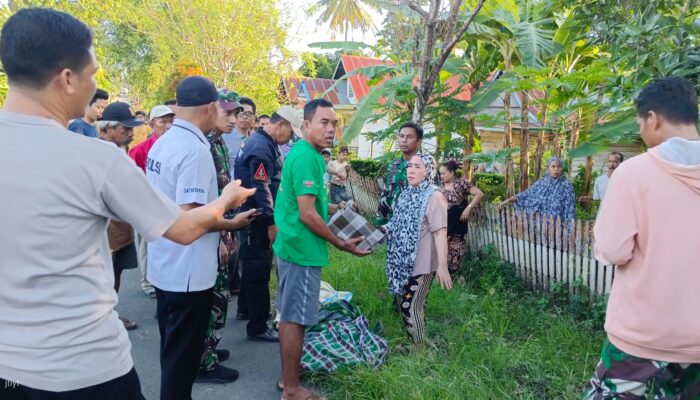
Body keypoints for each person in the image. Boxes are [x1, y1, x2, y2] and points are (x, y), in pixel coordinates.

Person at [0, 8, 253, 399]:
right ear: (67, 79)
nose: (95, 87)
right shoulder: (94, 159)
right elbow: (183, 227)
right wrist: (228, 198)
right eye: (94, 73)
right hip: (85, 369)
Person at [582, 77, 700, 399]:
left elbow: (612, 250)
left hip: (642, 335)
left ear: (653, 118)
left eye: (640, 123)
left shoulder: (633, 173)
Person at [146, 76, 257, 398]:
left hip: (165, 263)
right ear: (210, 107)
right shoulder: (194, 150)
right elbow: (192, 220)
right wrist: (230, 216)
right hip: (188, 272)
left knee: (172, 353)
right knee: (182, 364)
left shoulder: (164, 141)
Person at [273, 99, 370, 400]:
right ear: (305, 125)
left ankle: (287, 380)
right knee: (295, 319)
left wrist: (337, 209)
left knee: (290, 316)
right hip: (300, 249)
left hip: (296, 246)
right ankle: (291, 389)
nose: (330, 129)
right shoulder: (306, 157)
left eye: (334, 124)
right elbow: (307, 213)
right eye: (323, 122)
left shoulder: (311, 156)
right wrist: (341, 243)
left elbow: (314, 204)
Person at [235, 106, 300, 343]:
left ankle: (246, 310)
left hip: (254, 213)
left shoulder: (261, 142)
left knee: (251, 266)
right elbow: (261, 187)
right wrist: (272, 222)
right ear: (280, 125)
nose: (290, 138)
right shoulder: (261, 147)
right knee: (258, 271)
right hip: (257, 217)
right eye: (290, 133)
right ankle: (258, 326)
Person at [197, 88, 244, 383]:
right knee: (212, 299)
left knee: (220, 296)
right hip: (211, 234)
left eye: (236, 113)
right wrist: (220, 237)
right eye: (228, 113)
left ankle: (210, 349)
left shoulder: (217, 143)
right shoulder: (202, 146)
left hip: (223, 231)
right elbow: (203, 200)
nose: (234, 119)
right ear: (212, 110)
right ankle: (204, 362)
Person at [386, 153, 452, 349]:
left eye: (417, 166)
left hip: (422, 263)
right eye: (409, 167)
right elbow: (395, 223)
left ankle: (419, 349)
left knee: (410, 306)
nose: (411, 171)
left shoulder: (434, 196)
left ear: (428, 170)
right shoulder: (406, 193)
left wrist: (442, 266)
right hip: (402, 262)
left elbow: (440, 233)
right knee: (402, 303)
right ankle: (414, 342)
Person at [97, 101, 144, 330]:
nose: (130, 133)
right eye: (125, 128)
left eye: (131, 128)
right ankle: (102, 318)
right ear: (107, 128)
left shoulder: (121, 152)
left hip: (123, 227)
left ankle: (111, 314)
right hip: (105, 231)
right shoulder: (97, 154)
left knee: (116, 273)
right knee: (103, 276)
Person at [128, 105, 175, 298]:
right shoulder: (140, 150)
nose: (167, 126)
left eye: (171, 121)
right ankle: (147, 281)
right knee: (146, 244)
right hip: (145, 205)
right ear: (152, 124)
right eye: (162, 122)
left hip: (168, 205)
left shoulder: (176, 146)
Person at [438, 160, 484, 274]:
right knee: (442, 250)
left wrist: (468, 208)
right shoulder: (440, 188)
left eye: (444, 173)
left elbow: (479, 194)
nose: (441, 176)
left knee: (456, 251)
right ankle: (442, 274)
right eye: (440, 174)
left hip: (458, 225)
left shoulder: (461, 183)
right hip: (444, 225)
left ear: (452, 173)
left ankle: (455, 276)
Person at [497, 156, 575, 222]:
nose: (556, 169)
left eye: (559, 166)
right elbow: (527, 193)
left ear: (561, 168)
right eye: (553, 166)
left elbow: (570, 208)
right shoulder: (542, 182)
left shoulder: (567, 185)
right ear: (548, 168)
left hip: (558, 224)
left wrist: (568, 227)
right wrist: (508, 200)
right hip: (541, 223)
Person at [375, 122, 423, 225]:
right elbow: (386, 194)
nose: (404, 140)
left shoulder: (424, 167)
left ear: (418, 142)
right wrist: (380, 221)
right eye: (401, 136)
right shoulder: (393, 165)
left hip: (412, 225)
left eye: (409, 137)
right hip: (391, 223)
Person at [222, 96, 256, 178]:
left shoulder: (255, 141)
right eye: (241, 113)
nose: (245, 117)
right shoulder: (223, 138)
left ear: (254, 118)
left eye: (249, 114)